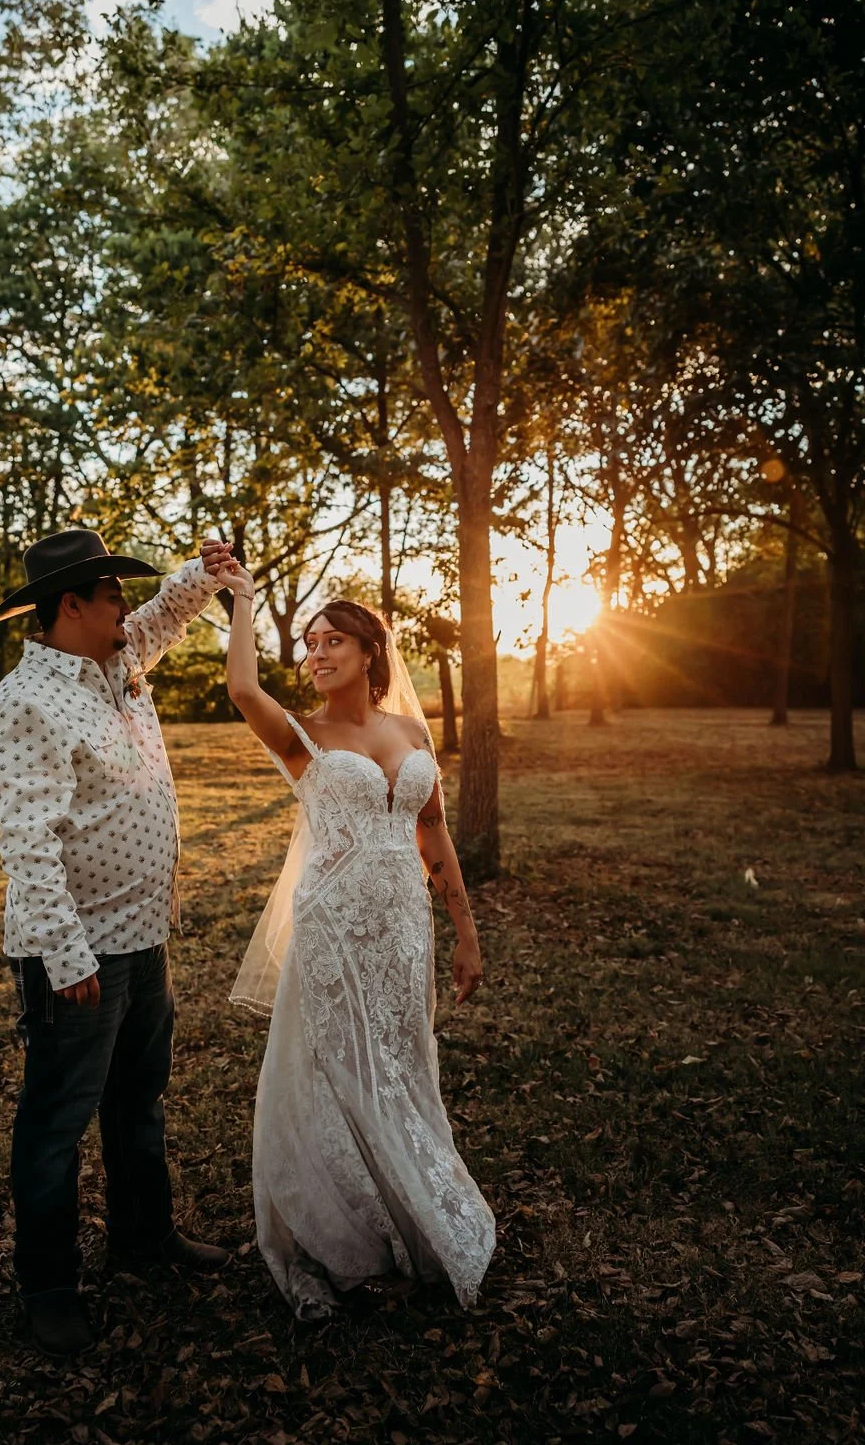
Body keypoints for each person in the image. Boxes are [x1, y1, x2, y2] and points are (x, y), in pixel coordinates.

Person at [0, 528, 232, 1357]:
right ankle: (48, 1287)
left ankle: (144, 1236)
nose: (128, 606)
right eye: (113, 594)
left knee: (137, 1099)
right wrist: (64, 954)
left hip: (143, 934)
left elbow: (162, 616)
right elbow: (28, 842)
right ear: (71, 606)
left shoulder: (116, 662)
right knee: (58, 1120)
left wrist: (205, 574)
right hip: (80, 952)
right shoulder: (24, 703)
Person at [217, 558, 496, 1320]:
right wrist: (242, 600)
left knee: (400, 1060)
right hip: (333, 925)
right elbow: (242, 688)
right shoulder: (302, 734)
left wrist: (465, 932)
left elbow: (432, 831)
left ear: (371, 652)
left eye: (333, 640)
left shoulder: (411, 730)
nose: (317, 654)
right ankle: (340, 1229)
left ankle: (410, 1197)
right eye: (310, 644)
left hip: (402, 926)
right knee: (335, 1068)